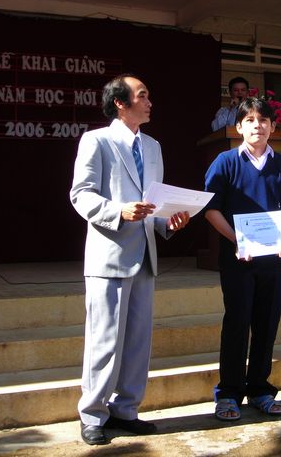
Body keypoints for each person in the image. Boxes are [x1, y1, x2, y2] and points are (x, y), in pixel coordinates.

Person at [70, 74, 190, 446]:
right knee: (104, 341)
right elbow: (81, 194)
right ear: (121, 103)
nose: (149, 101)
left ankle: (126, 410)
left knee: (138, 342)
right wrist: (118, 211)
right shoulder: (96, 141)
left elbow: (154, 203)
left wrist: (169, 222)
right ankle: (93, 415)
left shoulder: (152, 146)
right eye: (142, 95)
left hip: (145, 257)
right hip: (109, 254)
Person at [204, 97, 281, 421]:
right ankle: (228, 394)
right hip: (238, 260)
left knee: (266, 325)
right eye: (250, 120)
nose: (257, 125)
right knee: (237, 324)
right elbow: (211, 209)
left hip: (273, 260)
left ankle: (260, 389)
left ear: (272, 126)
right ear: (239, 126)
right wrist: (238, 239)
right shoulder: (225, 161)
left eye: (263, 120)